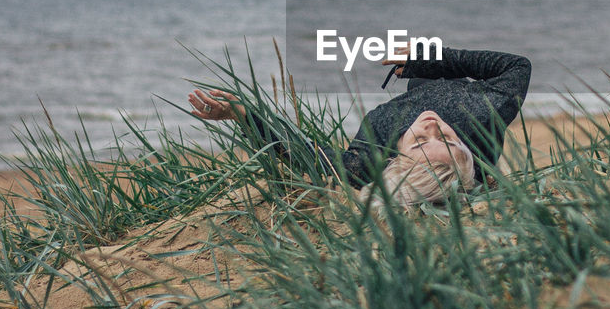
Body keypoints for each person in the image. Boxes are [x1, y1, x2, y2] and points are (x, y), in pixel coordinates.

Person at [189, 46, 531, 208]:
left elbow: (309, 156)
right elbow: (516, 64)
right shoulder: (485, 114)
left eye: (419, 142)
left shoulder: (371, 156)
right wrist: (436, 59)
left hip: (417, 94)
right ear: (467, 151)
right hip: (457, 88)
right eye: (447, 139)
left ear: (394, 161)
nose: (431, 124)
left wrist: (245, 116)